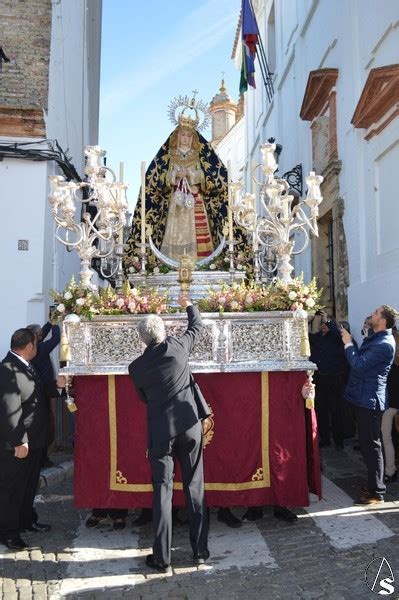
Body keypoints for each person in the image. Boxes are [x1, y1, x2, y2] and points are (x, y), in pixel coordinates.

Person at [128, 295, 211, 573]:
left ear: (142, 339)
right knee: (194, 486)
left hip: (161, 431)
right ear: (163, 333)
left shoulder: (136, 368)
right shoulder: (177, 347)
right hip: (189, 425)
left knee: (161, 493)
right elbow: (197, 326)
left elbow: (143, 398)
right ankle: (200, 551)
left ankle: (162, 558)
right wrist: (188, 304)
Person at [125, 104, 251, 273]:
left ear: (194, 138)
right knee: (173, 231)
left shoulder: (200, 155)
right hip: (175, 204)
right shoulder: (168, 156)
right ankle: (169, 265)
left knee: (200, 234)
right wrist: (174, 176)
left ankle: (202, 265)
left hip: (195, 201)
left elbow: (216, 177)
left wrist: (192, 175)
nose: (186, 138)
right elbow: (153, 179)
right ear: (177, 136)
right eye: (183, 135)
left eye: (189, 135)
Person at [0, 328, 65, 550]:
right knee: (12, 489)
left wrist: (56, 386)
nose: (37, 347)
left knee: (29, 486)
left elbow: (35, 393)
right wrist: (19, 441)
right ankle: (8, 532)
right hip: (19, 444)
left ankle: (26, 520)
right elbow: (11, 410)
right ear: (29, 346)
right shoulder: (8, 369)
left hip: (35, 440)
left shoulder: (25, 364)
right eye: (36, 344)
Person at [340, 305, 397, 504]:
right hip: (364, 397)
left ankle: (377, 492)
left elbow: (359, 365)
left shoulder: (384, 343)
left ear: (382, 321)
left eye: (374, 314)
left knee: (372, 447)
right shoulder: (378, 338)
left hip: (370, 400)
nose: (371, 315)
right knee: (368, 446)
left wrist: (348, 344)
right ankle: (374, 486)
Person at [310, 313, 347, 449]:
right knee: (321, 410)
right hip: (319, 379)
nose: (323, 327)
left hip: (333, 379)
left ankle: (338, 440)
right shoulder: (317, 338)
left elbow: (337, 332)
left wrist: (328, 319)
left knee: (335, 410)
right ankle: (325, 438)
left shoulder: (336, 338)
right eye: (322, 324)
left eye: (326, 324)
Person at [27, 321, 61, 467]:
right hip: (44, 390)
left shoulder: (35, 345)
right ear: (36, 337)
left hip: (37, 389)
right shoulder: (40, 348)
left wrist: (50, 321)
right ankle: (42, 459)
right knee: (45, 424)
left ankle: (41, 458)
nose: (42, 334)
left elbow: (42, 334)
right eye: (40, 333)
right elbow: (55, 339)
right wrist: (55, 325)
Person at [381, 327, 399, 483]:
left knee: (386, 437)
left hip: (390, 404)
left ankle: (390, 471)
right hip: (392, 403)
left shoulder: (387, 356)